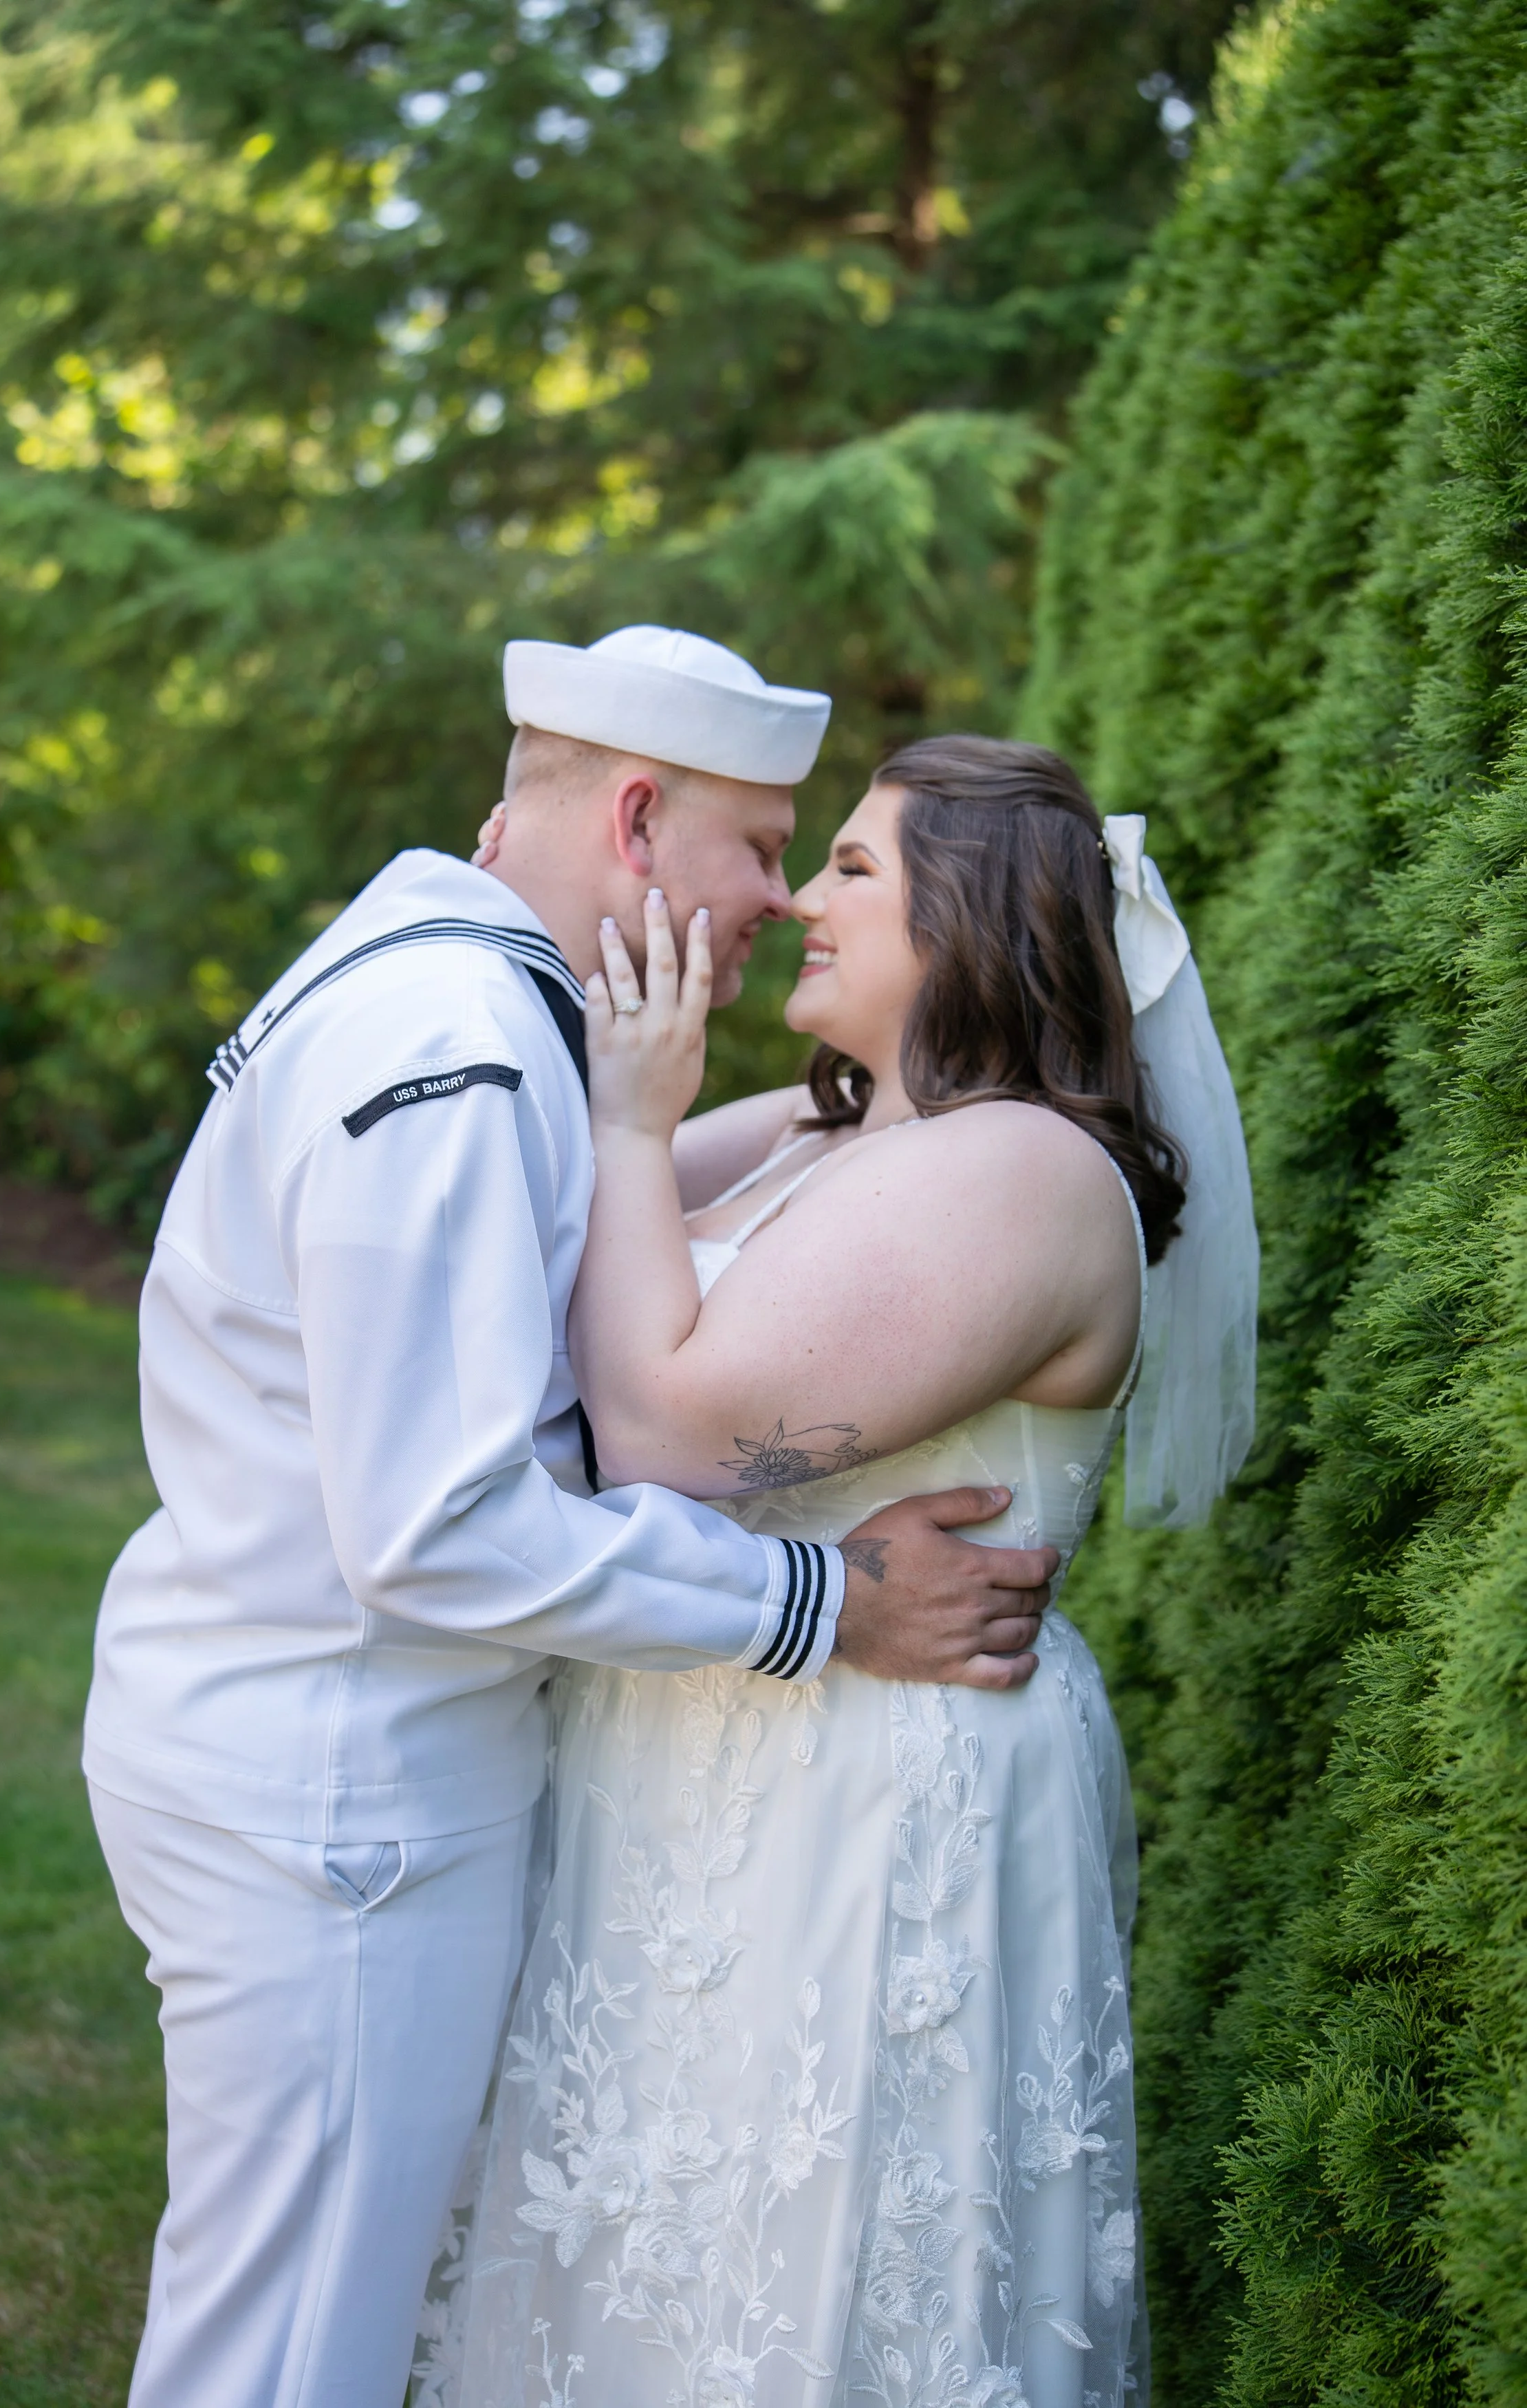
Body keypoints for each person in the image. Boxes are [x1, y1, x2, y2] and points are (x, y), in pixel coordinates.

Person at [82, 630, 1065, 2408]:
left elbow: (633, 1239)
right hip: (340, 1796)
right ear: (635, 815)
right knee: (290, 2352)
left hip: (285, 1729)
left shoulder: (447, 983)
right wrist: (818, 1602)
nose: (772, 895)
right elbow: (440, 1527)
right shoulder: (455, 1050)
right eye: (763, 843)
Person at [417, 736, 1257, 2408]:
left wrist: (639, 1112)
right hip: (705, 1751)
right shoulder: (827, 1132)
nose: (801, 896)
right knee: (631, 2238)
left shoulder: (1021, 1174)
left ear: (973, 923)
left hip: (869, 1795)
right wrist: (620, 1116)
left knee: (806, 2264)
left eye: (854, 870)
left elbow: (661, 1430)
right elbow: (576, 1241)